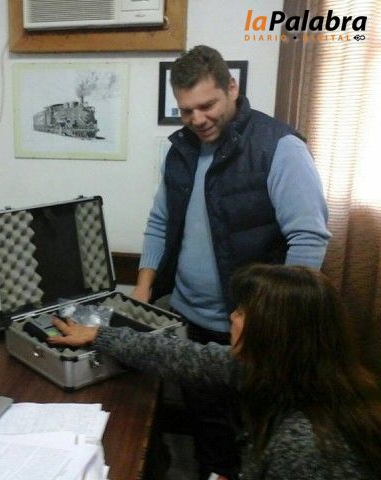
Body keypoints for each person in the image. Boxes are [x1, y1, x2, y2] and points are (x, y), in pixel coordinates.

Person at [130, 45, 331, 478]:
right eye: (186, 111)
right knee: (209, 439)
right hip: (189, 321)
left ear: (232, 88)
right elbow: (160, 222)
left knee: (255, 445)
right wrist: (142, 291)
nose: (197, 119)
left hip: (253, 334)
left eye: (207, 105)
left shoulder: (280, 146)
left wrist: (272, 323)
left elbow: (308, 238)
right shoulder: (180, 151)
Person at [49, 264, 381, 479]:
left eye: (242, 312)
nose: (232, 318)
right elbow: (180, 355)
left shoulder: (305, 446)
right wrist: (100, 335)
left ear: (275, 333)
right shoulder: (284, 369)